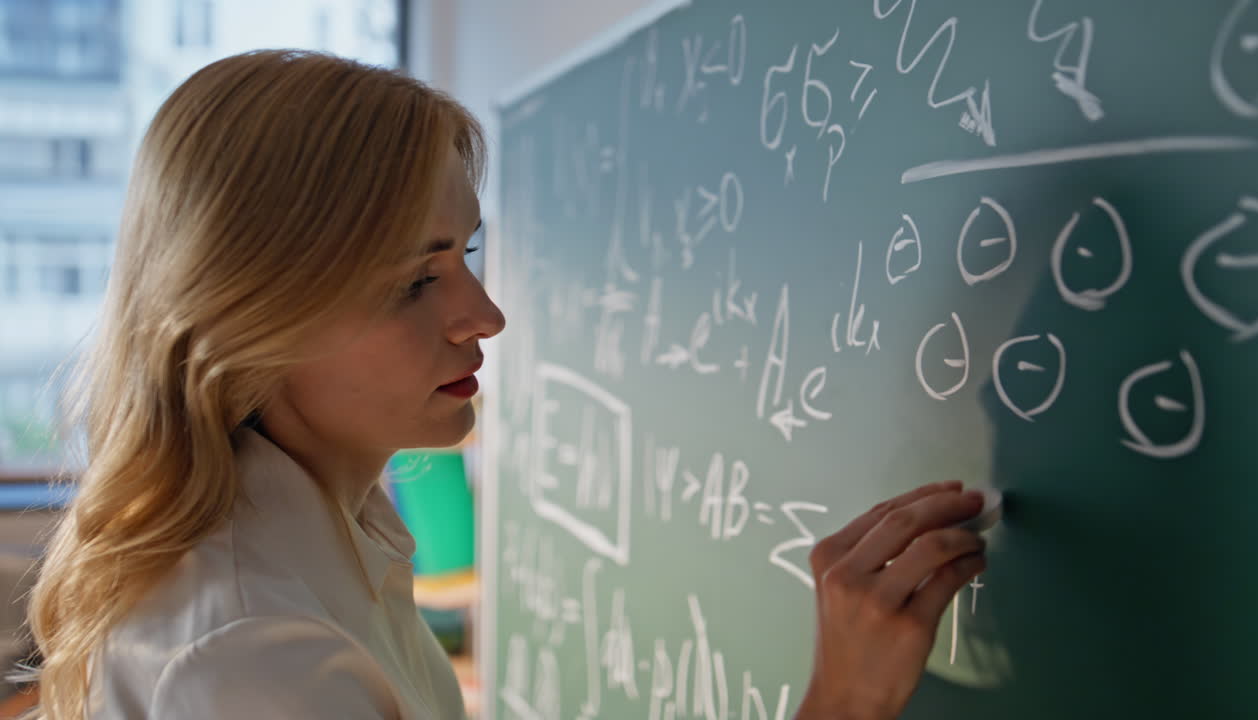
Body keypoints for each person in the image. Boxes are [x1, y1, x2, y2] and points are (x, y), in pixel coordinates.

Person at [16, 50, 988, 720]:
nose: (484, 315)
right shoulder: (249, 657)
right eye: (414, 279)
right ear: (251, 319)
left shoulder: (333, 532)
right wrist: (841, 704)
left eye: (466, 253)